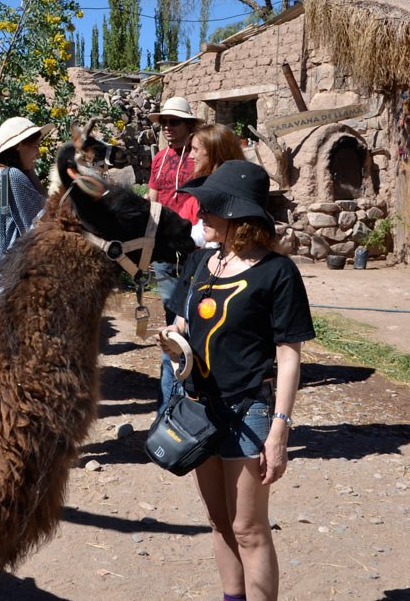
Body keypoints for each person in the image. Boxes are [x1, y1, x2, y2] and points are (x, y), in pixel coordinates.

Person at [157, 160, 314, 601]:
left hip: (251, 410)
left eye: (210, 208)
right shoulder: (201, 262)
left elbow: (288, 356)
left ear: (238, 216)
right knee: (219, 522)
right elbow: (184, 319)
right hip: (199, 410)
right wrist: (174, 335)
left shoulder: (277, 273)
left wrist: (280, 429)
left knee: (248, 527)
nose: (200, 215)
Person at [146, 96, 199, 413]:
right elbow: (152, 201)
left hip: (195, 252)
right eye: (164, 122)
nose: (167, 127)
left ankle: (181, 400)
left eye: (174, 121)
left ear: (189, 126)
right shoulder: (159, 159)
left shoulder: (199, 158)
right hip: (165, 252)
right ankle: (171, 406)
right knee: (173, 325)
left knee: (193, 323)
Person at [0, 116, 52, 309]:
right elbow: (47, 217)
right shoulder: (12, 177)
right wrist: (32, 175)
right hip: (12, 285)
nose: (38, 154)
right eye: (36, 146)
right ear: (20, 145)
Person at [183, 123, 248, 247]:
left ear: (214, 153)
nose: (190, 156)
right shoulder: (205, 186)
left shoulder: (232, 190)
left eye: (195, 150)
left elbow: (212, 233)